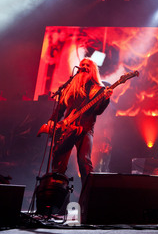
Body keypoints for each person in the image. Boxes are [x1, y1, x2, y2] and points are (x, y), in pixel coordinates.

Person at [39, 57, 112, 185]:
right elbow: (60, 108)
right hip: (66, 128)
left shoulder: (98, 89)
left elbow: (97, 111)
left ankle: (89, 193)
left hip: (85, 129)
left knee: (84, 161)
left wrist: (105, 99)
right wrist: (52, 120)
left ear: (93, 70)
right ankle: (57, 192)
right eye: (82, 64)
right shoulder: (71, 87)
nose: (84, 67)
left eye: (87, 65)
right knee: (58, 163)